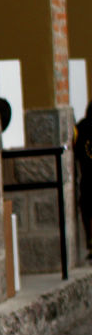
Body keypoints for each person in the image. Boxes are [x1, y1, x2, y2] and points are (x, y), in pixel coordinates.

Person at [74, 101, 92, 260]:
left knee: (87, 208)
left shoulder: (81, 127)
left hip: (87, 178)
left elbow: (75, 149)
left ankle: (90, 241)